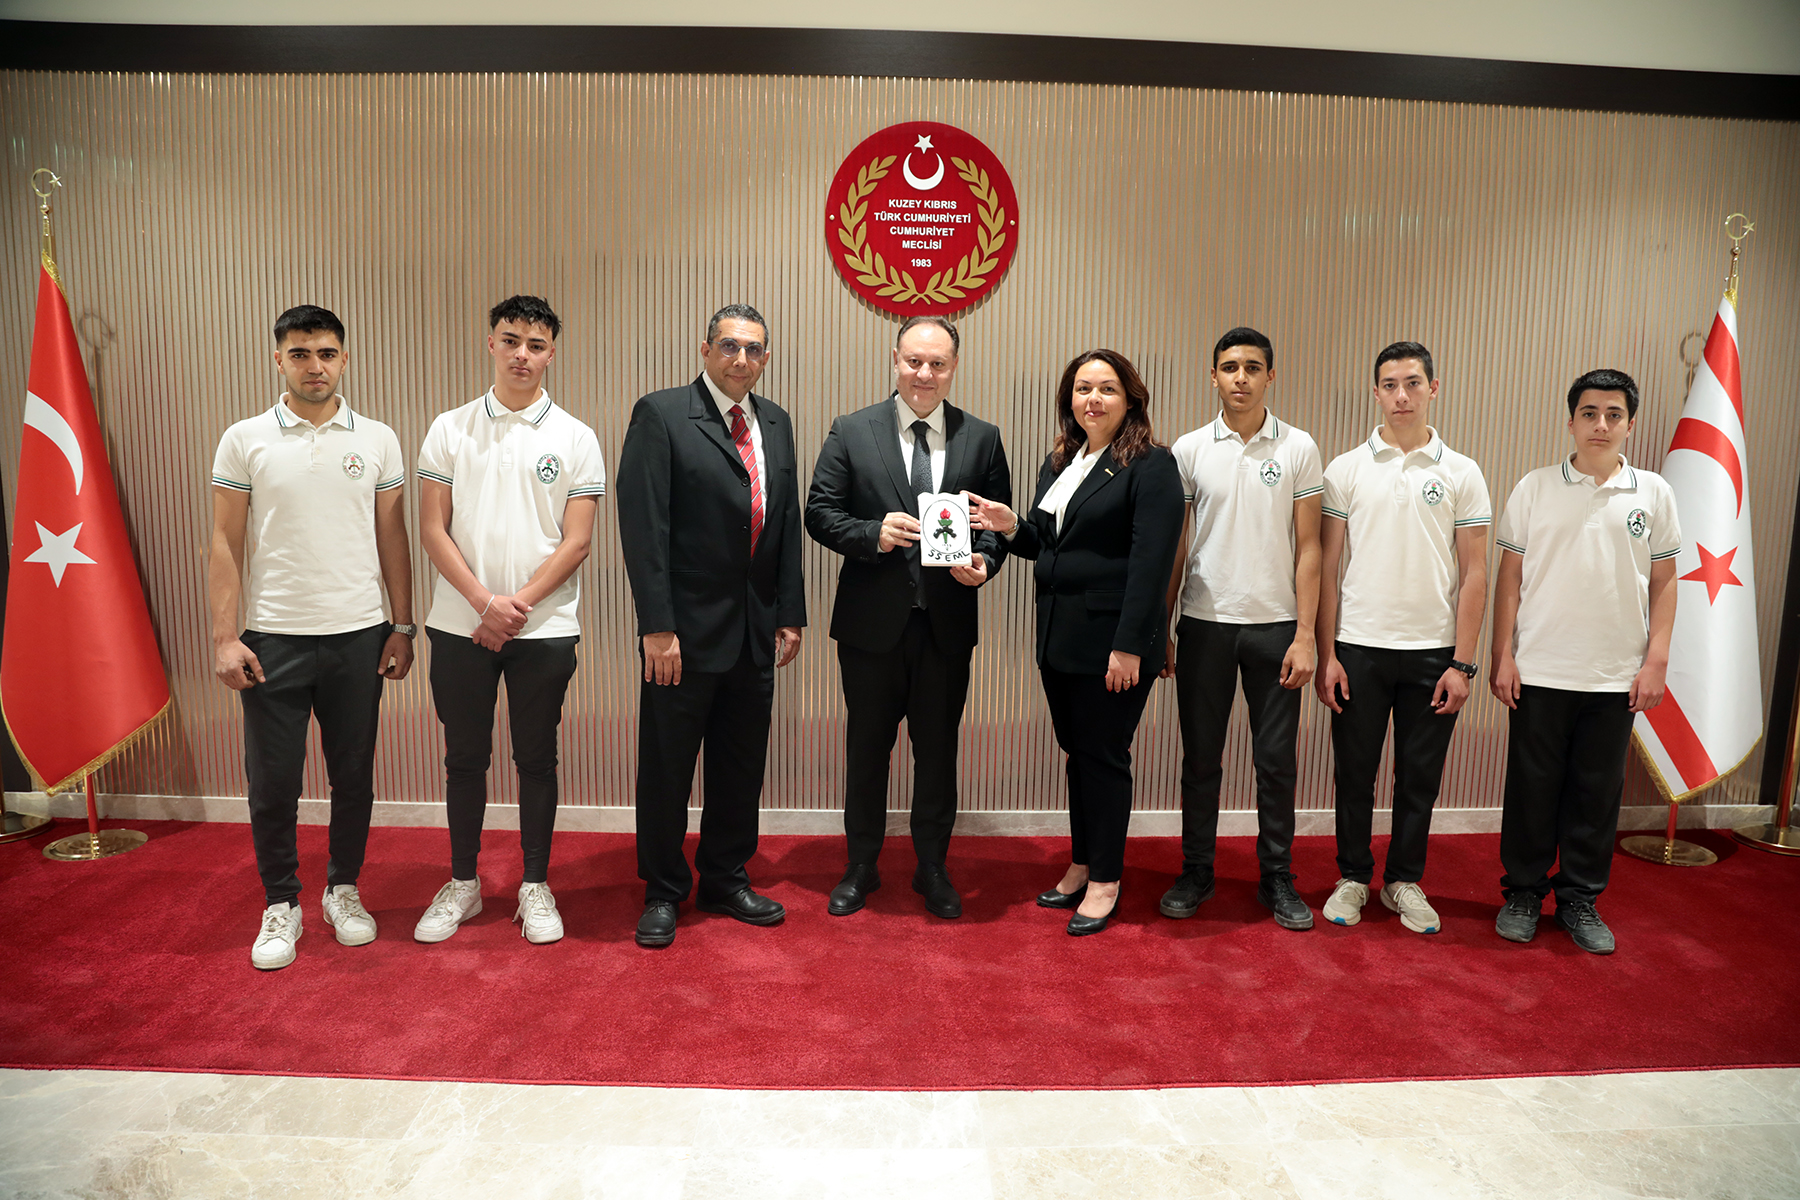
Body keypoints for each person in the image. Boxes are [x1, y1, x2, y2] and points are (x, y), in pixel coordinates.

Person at [209, 304, 415, 970]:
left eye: (326, 353)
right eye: (300, 354)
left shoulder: (378, 439)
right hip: (273, 640)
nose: (314, 366)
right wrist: (224, 638)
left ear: (344, 359)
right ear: (279, 360)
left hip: (359, 635)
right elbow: (224, 541)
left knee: (353, 777)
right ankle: (281, 902)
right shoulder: (245, 439)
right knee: (273, 783)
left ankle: (343, 890)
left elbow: (392, 536)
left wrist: (402, 625)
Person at [968, 350, 1184, 934]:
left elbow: (1152, 564)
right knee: (1079, 754)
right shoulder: (1063, 459)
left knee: (1103, 757)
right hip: (1059, 638)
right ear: (1070, 398)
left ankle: (1107, 879)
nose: (1094, 399)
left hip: (1112, 644)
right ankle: (1083, 862)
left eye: (1107, 388)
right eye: (1083, 388)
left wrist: (1131, 645)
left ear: (1130, 399)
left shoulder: (1151, 464)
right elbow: (1047, 543)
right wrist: (1010, 524)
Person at [411, 295, 603, 947]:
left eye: (536, 344)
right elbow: (432, 528)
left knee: (537, 757)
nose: (523, 354)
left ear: (552, 353)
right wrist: (483, 604)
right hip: (458, 625)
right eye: (511, 340)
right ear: (491, 343)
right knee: (464, 757)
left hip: (543, 629)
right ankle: (463, 883)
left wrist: (513, 606)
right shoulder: (450, 428)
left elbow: (577, 541)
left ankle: (535, 884)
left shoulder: (576, 437)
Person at [804, 316, 1011, 920]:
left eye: (937, 364)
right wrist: (873, 532)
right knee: (867, 751)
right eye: (914, 361)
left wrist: (985, 562)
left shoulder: (982, 437)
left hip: (945, 629)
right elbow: (820, 513)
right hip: (870, 628)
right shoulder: (851, 429)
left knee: (938, 753)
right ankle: (861, 865)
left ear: (954, 367)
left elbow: (995, 525)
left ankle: (932, 867)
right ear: (895, 359)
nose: (924, 374)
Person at [616, 304, 806, 948]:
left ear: (766, 358)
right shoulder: (662, 414)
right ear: (705, 350)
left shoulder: (775, 423)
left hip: (755, 631)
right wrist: (657, 626)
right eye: (729, 345)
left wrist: (789, 613)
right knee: (667, 768)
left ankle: (725, 877)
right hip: (683, 635)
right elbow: (644, 527)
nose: (741, 359)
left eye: (753, 349)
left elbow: (783, 523)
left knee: (740, 766)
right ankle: (663, 888)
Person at [1490, 368, 1679, 955]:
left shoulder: (1654, 493)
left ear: (1630, 424)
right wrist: (1502, 654)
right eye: (1589, 413)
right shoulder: (1535, 487)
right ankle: (1523, 892)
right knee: (1532, 790)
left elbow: (1665, 580)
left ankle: (1579, 898)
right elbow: (1510, 578)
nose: (1601, 424)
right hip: (1541, 669)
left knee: (1596, 795)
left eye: (1613, 414)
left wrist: (1656, 661)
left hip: (1614, 675)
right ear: (1570, 421)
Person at [1314, 342, 1491, 934]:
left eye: (1413, 383)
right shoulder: (1345, 470)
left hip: (1433, 654)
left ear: (1433, 389)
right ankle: (1352, 877)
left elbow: (1475, 574)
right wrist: (1327, 655)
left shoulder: (1461, 472)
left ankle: (1403, 881)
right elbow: (1326, 571)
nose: (1401, 395)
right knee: (1354, 774)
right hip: (1358, 648)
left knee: (1419, 777)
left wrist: (1462, 664)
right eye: (1389, 385)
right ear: (1376, 393)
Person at [1160, 327, 1323, 930]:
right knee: (1201, 759)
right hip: (1204, 624)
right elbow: (1176, 545)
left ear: (1270, 376)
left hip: (1275, 629)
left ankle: (1277, 876)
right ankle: (1196, 870)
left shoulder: (1299, 447)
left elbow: (1310, 547)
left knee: (1276, 762)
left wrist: (1305, 634)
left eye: (1253, 367)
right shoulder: (1189, 449)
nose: (1241, 378)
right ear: (1214, 376)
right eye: (1230, 367)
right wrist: (1164, 626)